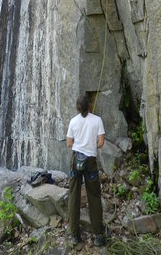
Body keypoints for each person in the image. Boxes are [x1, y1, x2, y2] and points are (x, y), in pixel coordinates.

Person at [66, 94, 106, 247]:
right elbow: (101, 142)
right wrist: (91, 145)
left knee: (74, 195)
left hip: (76, 159)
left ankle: (74, 235)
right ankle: (98, 235)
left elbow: (69, 143)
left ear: (78, 107)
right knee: (94, 196)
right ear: (89, 106)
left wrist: (80, 144)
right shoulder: (97, 120)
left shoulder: (73, 121)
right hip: (90, 162)